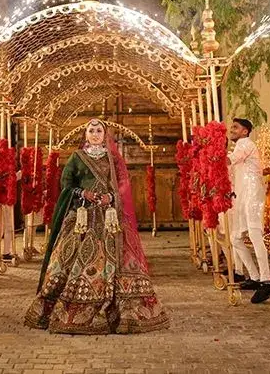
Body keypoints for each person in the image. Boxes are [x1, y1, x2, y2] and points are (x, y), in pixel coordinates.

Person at [25, 119, 169, 334]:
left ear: (105, 134)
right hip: (82, 218)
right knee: (67, 258)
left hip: (111, 218)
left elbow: (123, 184)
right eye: (91, 130)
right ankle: (71, 309)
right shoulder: (77, 157)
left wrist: (110, 197)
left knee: (122, 259)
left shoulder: (114, 158)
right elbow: (67, 184)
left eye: (99, 130)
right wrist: (84, 193)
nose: (94, 134)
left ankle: (121, 310)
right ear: (85, 134)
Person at [226, 118, 270, 303]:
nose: (231, 130)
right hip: (241, 197)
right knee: (235, 238)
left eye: (235, 127)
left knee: (255, 236)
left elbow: (228, 160)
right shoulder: (239, 146)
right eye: (231, 127)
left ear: (245, 131)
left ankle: (267, 281)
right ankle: (255, 277)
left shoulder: (246, 144)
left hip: (253, 197)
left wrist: (210, 150)